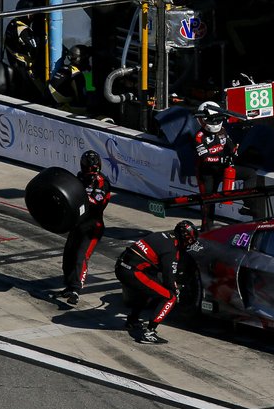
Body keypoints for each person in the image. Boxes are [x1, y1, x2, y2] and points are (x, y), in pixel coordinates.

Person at [114, 220, 199, 344]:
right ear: (184, 237)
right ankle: (149, 332)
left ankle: (132, 320)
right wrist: (176, 289)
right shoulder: (171, 250)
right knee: (170, 297)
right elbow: (169, 278)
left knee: (149, 289)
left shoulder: (162, 235)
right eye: (188, 241)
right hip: (132, 271)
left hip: (123, 265)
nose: (187, 245)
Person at [58, 150, 111, 306]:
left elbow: (98, 202)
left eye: (93, 167)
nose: (91, 171)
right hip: (77, 223)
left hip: (93, 227)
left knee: (81, 256)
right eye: (89, 167)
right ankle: (69, 285)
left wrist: (80, 195)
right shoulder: (78, 178)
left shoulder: (102, 182)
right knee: (68, 256)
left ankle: (76, 289)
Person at [194, 101, 237, 231]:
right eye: (211, 120)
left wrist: (234, 151)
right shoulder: (199, 136)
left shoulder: (223, 131)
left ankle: (250, 207)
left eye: (216, 119)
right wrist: (222, 159)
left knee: (250, 174)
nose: (214, 123)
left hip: (221, 170)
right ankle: (206, 229)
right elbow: (205, 158)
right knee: (208, 202)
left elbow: (231, 147)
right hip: (206, 173)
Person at [5, 0, 46, 102]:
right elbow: (35, 46)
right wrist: (43, 37)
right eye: (32, 13)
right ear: (27, 14)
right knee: (39, 96)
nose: (33, 16)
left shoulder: (13, 23)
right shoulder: (22, 29)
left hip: (16, 67)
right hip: (23, 70)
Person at [48, 45, 93, 114]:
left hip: (49, 101)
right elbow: (80, 98)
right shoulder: (76, 74)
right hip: (59, 106)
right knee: (90, 109)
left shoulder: (64, 68)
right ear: (81, 59)